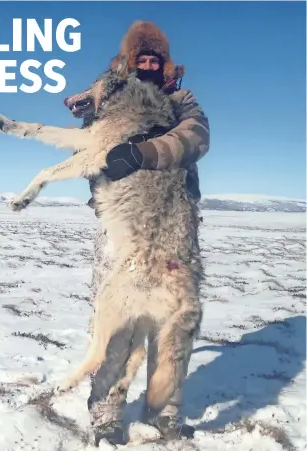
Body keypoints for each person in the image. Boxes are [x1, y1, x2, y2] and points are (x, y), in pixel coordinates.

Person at [71, 21, 210, 446]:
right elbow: (91, 150)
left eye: (155, 58)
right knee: (120, 316)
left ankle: (164, 408)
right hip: (123, 226)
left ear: (164, 65)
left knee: (175, 316)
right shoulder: (109, 100)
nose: (148, 64)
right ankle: (107, 409)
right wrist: (92, 112)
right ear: (129, 65)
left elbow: (197, 136)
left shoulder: (181, 100)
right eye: (141, 58)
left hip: (173, 222)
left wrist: (145, 152)